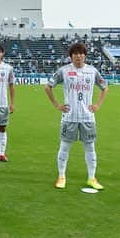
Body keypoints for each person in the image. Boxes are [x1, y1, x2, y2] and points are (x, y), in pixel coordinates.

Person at [44, 42, 108, 190]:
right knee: (65, 146)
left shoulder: (92, 71)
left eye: (81, 53)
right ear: (71, 56)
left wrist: (97, 105)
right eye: (75, 53)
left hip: (88, 117)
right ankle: (61, 176)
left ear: (85, 55)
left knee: (90, 148)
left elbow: (105, 87)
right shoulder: (64, 71)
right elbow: (48, 87)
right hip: (69, 116)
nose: (78, 56)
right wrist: (57, 105)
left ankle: (92, 178)